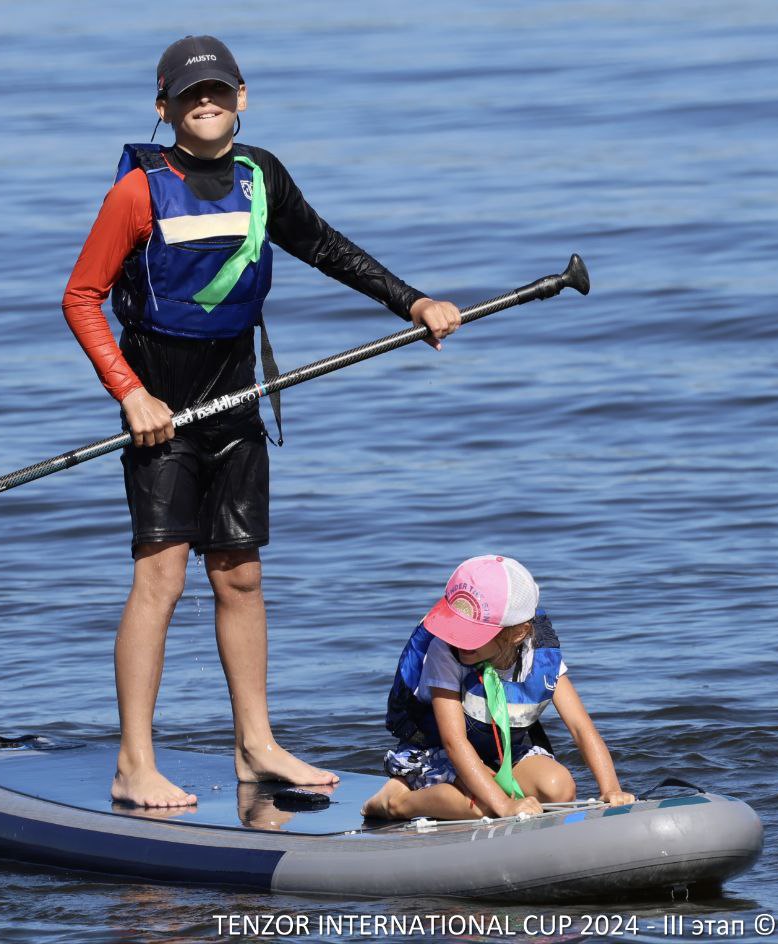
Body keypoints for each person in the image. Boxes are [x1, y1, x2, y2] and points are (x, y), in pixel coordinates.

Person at [62, 35, 462, 807]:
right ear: (163, 108)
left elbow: (324, 246)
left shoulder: (261, 176)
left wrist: (412, 302)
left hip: (235, 399)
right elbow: (81, 298)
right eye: (187, 95)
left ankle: (256, 745)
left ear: (241, 98)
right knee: (161, 578)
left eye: (217, 90)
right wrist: (130, 395)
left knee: (240, 575)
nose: (204, 103)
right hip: (160, 411)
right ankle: (134, 763)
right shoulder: (138, 192)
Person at [362, 555, 636, 820]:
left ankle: (489, 788)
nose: (459, 639)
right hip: (438, 753)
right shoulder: (444, 650)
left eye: (472, 633)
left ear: (517, 633)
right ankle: (396, 800)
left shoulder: (539, 656)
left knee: (558, 787)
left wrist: (610, 789)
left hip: (500, 752)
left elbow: (580, 727)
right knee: (483, 806)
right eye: (457, 627)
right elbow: (453, 742)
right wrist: (504, 805)